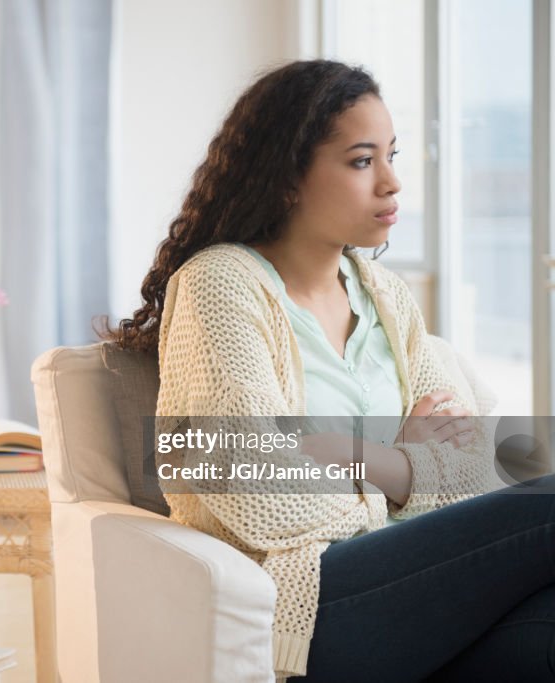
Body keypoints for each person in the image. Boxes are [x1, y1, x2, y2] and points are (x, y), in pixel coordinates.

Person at [112, 59, 555, 682]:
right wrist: (401, 474)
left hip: (428, 596)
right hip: (313, 600)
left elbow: (486, 463)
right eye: (361, 161)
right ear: (288, 177)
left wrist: (349, 455)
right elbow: (245, 483)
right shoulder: (220, 286)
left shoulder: (386, 296)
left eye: (392, 156)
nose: (393, 183)